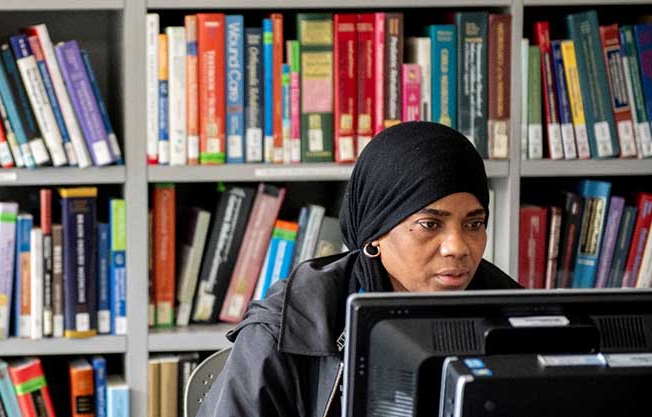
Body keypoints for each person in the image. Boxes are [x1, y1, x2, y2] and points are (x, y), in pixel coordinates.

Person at [196, 122, 521, 417]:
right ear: (375, 232)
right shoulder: (290, 325)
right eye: (429, 224)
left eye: (474, 223)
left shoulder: (517, 315)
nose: (458, 247)